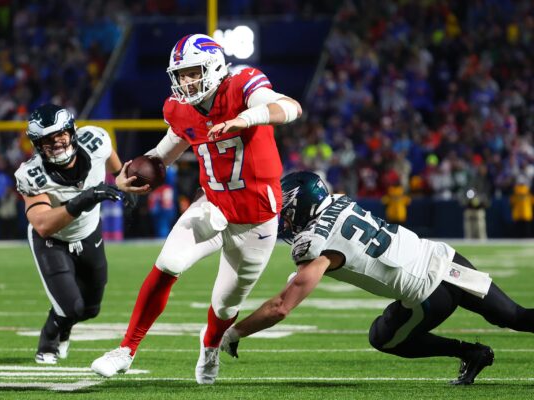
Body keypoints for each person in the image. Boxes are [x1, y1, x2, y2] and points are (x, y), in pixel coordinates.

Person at [91, 33, 302, 384]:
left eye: (193, 72)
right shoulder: (180, 108)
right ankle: (125, 350)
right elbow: (167, 150)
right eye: (181, 75)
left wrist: (245, 119)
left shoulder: (242, 85)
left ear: (215, 67)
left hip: (257, 222)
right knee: (168, 263)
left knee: (225, 305)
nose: (187, 82)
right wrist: (131, 172)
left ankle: (211, 345)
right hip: (214, 206)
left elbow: (290, 107)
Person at [219, 171, 534, 385]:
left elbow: (280, 308)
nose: (286, 220)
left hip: (428, 294)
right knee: (516, 316)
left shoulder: (315, 244)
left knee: (383, 337)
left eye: (288, 211)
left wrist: (235, 332)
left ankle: (469, 352)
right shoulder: (339, 200)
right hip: (445, 258)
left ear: (302, 205)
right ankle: (474, 355)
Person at [15, 104, 123, 364]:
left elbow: (115, 165)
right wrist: (82, 200)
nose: (56, 142)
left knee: (91, 309)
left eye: (60, 134)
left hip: (89, 232)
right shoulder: (32, 174)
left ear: (72, 132)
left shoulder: (95, 140)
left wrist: (124, 184)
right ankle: (50, 338)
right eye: (47, 139)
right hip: (53, 241)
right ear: (37, 145)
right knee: (70, 308)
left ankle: (64, 324)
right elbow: (42, 224)